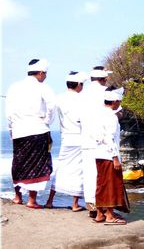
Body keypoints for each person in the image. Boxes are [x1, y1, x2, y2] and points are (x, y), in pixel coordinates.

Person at [5, 58, 56, 209]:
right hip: (38, 129)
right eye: (45, 74)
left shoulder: (13, 87)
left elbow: (8, 112)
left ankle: (17, 197)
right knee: (39, 165)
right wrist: (47, 120)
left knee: (19, 162)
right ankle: (32, 200)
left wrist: (11, 129)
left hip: (18, 130)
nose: (45, 76)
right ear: (40, 73)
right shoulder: (43, 87)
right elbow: (52, 106)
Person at [45, 71, 87, 211]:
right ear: (79, 84)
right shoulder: (82, 99)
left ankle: (50, 200)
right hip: (80, 137)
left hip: (66, 138)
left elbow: (48, 110)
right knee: (79, 171)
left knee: (61, 168)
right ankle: (75, 204)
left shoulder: (59, 98)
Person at [92, 86, 130, 225]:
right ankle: (109, 216)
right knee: (111, 185)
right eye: (119, 101)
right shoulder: (111, 117)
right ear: (114, 101)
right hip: (109, 155)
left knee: (101, 184)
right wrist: (115, 158)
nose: (119, 104)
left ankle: (99, 214)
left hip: (98, 153)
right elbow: (110, 138)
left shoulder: (98, 114)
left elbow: (96, 135)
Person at [80, 66, 111, 217]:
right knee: (102, 174)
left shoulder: (82, 94)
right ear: (103, 79)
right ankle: (103, 209)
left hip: (86, 140)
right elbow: (115, 113)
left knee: (89, 174)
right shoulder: (106, 92)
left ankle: (92, 207)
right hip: (102, 141)